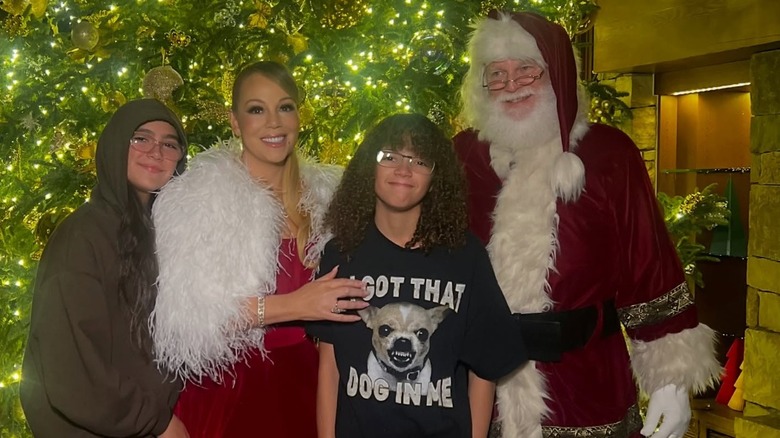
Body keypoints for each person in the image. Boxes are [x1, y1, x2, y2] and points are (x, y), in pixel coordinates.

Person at [454, 10, 722, 438]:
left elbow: (646, 264)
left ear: (556, 73)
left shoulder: (608, 154)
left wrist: (670, 382)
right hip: (477, 386)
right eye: (497, 75)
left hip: (586, 384)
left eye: (526, 71)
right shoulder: (464, 157)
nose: (511, 86)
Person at [150, 60, 368, 437]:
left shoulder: (331, 199)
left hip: (313, 385)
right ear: (236, 122)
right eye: (256, 110)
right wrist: (296, 304)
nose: (274, 123)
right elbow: (191, 316)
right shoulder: (200, 198)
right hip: (231, 389)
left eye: (285, 107)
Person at [307, 113, 527, 438]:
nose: (404, 169)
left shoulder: (465, 256)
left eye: (420, 160)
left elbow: (484, 370)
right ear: (370, 164)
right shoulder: (341, 253)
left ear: (435, 176)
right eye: (390, 156)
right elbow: (330, 366)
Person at [20, 99, 190, 437]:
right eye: (141, 138)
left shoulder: (167, 235)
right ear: (114, 146)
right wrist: (157, 422)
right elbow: (70, 370)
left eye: (169, 144)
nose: (156, 152)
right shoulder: (81, 236)